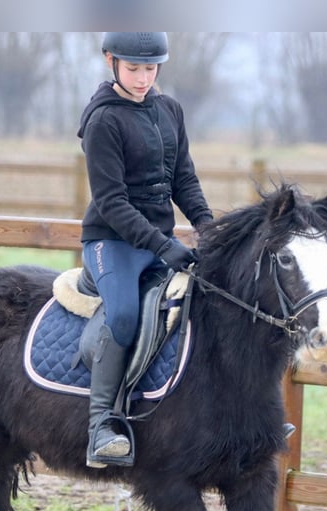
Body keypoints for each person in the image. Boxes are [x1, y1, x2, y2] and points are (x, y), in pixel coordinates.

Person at [77, 32, 214, 468]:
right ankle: (101, 425)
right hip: (111, 240)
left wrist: (209, 229)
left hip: (158, 242)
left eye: (150, 69)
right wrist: (162, 245)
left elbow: (184, 181)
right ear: (110, 62)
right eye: (133, 69)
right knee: (123, 314)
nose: (142, 78)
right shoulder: (103, 122)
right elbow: (112, 202)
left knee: (210, 298)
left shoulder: (169, 110)